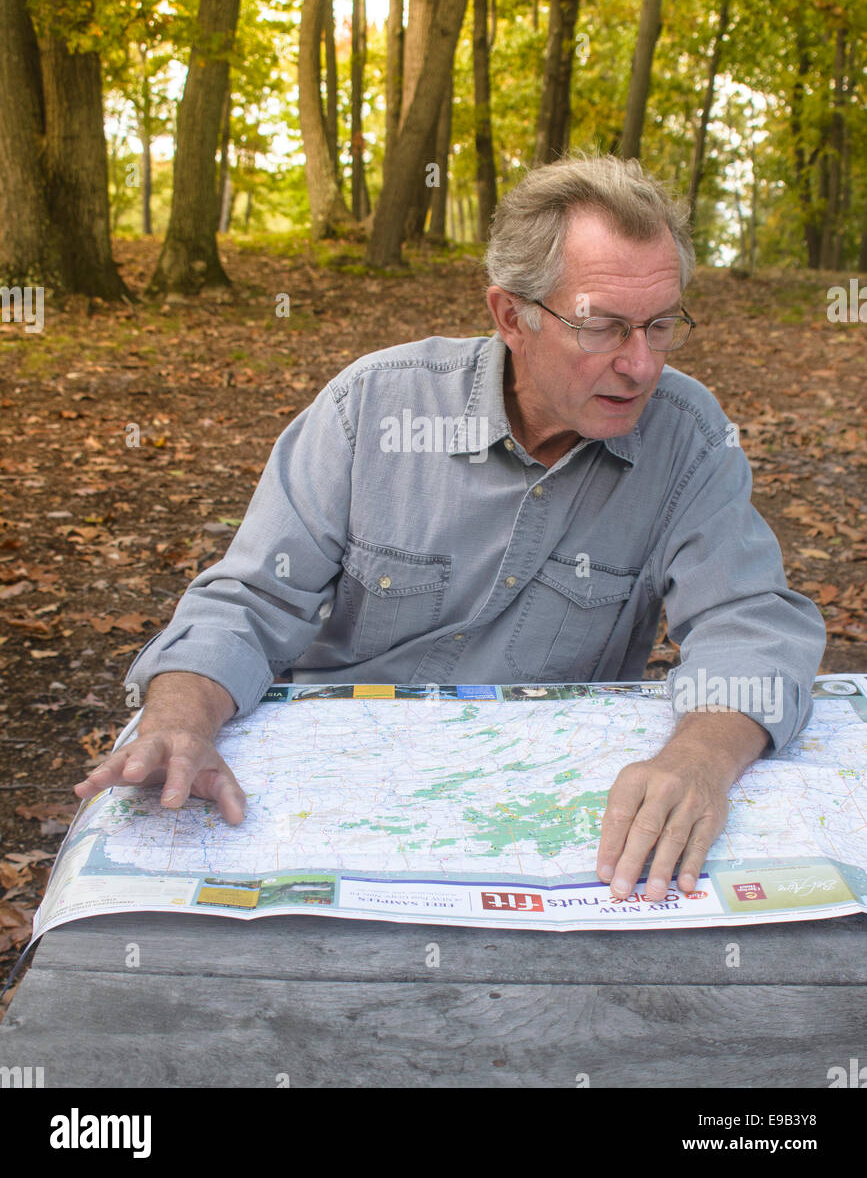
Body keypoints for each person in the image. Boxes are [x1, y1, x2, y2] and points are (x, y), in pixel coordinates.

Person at [75, 154, 826, 903]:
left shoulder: (686, 436)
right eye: (602, 327)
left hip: (548, 822)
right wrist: (180, 717)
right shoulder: (371, 408)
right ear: (511, 316)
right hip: (326, 799)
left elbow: (747, 622)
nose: (640, 366)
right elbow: (247, 604)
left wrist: (700, 757)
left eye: (661, 326)